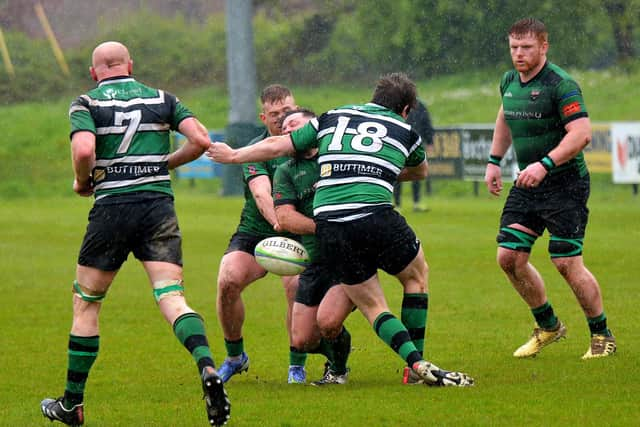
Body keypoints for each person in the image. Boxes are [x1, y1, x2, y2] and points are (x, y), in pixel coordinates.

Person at [208, 72, 474, 387]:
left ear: (374, 97)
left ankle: (415, 365)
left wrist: (234, 155)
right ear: (406, 110)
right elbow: (421, 171)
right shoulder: (405, 130)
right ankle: (414, 368)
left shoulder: (332, 117)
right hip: (376, 218)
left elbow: (278, 145)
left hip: (334, 228)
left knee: (375, 307)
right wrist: (377, 171)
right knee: (416, 278)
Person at [40, 41, 230, 427]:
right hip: (157, 208)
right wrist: (164, 164)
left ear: (94, 73)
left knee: (87, 302)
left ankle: (72, 404)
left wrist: (82, 182)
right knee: (171, 297)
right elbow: (201, 140)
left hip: (112, 210)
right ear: (131, 65)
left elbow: (83, 151)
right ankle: (207, 366)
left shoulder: (86, 103)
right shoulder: (163, 98)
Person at [484, 18, 616, 360]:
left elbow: (581, 134)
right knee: (509, 257)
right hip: (529, 183)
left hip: (565, 184)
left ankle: (602, 335)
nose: (518, 54)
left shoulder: (561, 84)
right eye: (513, 47)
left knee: (565, 262)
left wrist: (544, 165)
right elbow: (504, 116)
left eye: (526, 47)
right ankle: (548, 326)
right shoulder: (509, 81)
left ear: (544, 46)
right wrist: (494, 160)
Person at [215, 84, 306, 384]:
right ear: (263, 117)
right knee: (228, 280)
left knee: (295, 286)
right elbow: (261, 192)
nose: (282, 118)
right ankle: (235, 356)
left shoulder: (310, 144)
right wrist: (279, 222)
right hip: (257, 230)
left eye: (288, 111)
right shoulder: (255, 150)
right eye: (275, 114)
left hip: (301, 232)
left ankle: (296, 364)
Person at [273, 109, 355, 385]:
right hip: (314, 261)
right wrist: (324, 228)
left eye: (294, 124)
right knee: (302, 340)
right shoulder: (286, 171)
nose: (287, 130)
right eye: (283, 129)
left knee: (328, 322)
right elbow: (285, 217)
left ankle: (339, 369)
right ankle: (337, 344)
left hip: (347, 258)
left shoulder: (338, 155)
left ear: (313, 127)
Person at [393, 99, 434, 212]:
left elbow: (427, 123)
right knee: (398, 173)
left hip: (416, 145)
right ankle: (397, 204)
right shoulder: (398, 104)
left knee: (417, 173)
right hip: (400, 143)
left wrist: (430, 142)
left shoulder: (420, 106)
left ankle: (416, 203)